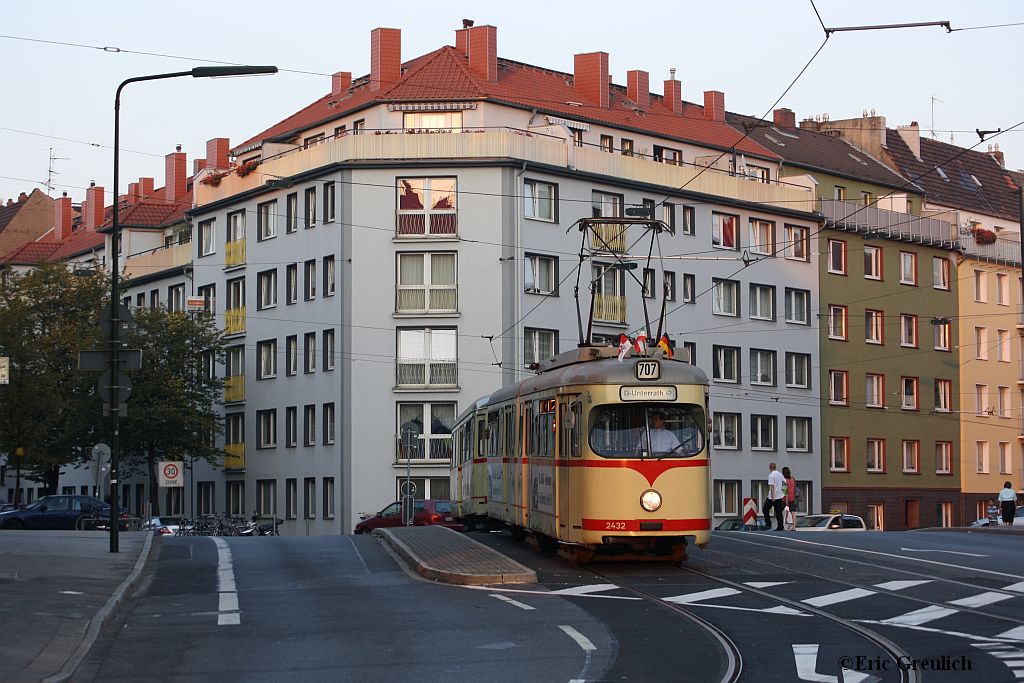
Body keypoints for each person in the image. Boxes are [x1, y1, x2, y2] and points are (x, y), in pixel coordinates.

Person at [767, 462, 786, 531]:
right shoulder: (780, 474)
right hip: (779, 496)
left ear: (769, 467)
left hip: (772, 496)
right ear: (775, 467)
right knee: (778, 512)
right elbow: (785, 482)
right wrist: (784, 493)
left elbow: (772, 487)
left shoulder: (771, 475)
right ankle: (780, 526)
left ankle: (768, 523)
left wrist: (772, 497)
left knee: (765, 509)